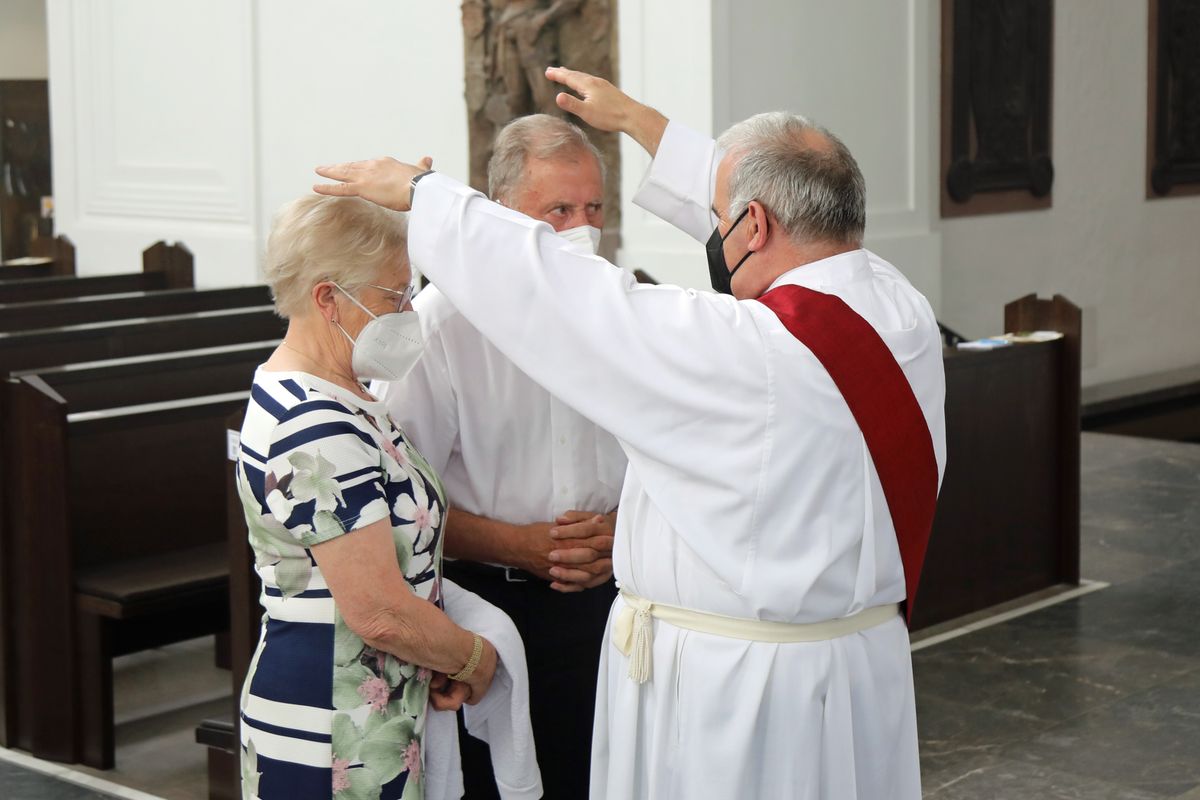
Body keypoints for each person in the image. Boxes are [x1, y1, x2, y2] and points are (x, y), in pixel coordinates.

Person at [313, 66, 947, 799]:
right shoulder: (899, 312)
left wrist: (426, 196)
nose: (712, 232)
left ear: (753, 226)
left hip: (740, 695)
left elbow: (560, 291)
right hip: (856, 663)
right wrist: (641, 122)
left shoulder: (740, 348)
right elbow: (779, 207)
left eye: (719, 218)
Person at [373, 113, 625, 800]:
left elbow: (664, 456)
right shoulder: (440, 327)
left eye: (594, 208)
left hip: (613, 600)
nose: (581, 229)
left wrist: (621, 531)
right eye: (559, 211)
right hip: (492, 606)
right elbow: (397, 505)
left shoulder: (623, 309)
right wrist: (517, 545)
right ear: (500, 214)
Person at [235, 193, 499, 800]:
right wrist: (475, 658)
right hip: (331, 725)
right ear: (328, 298)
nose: (408, 312)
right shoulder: (313, 424)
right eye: (393, 296)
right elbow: (379, 611)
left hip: (364, 707)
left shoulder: (338, 393)